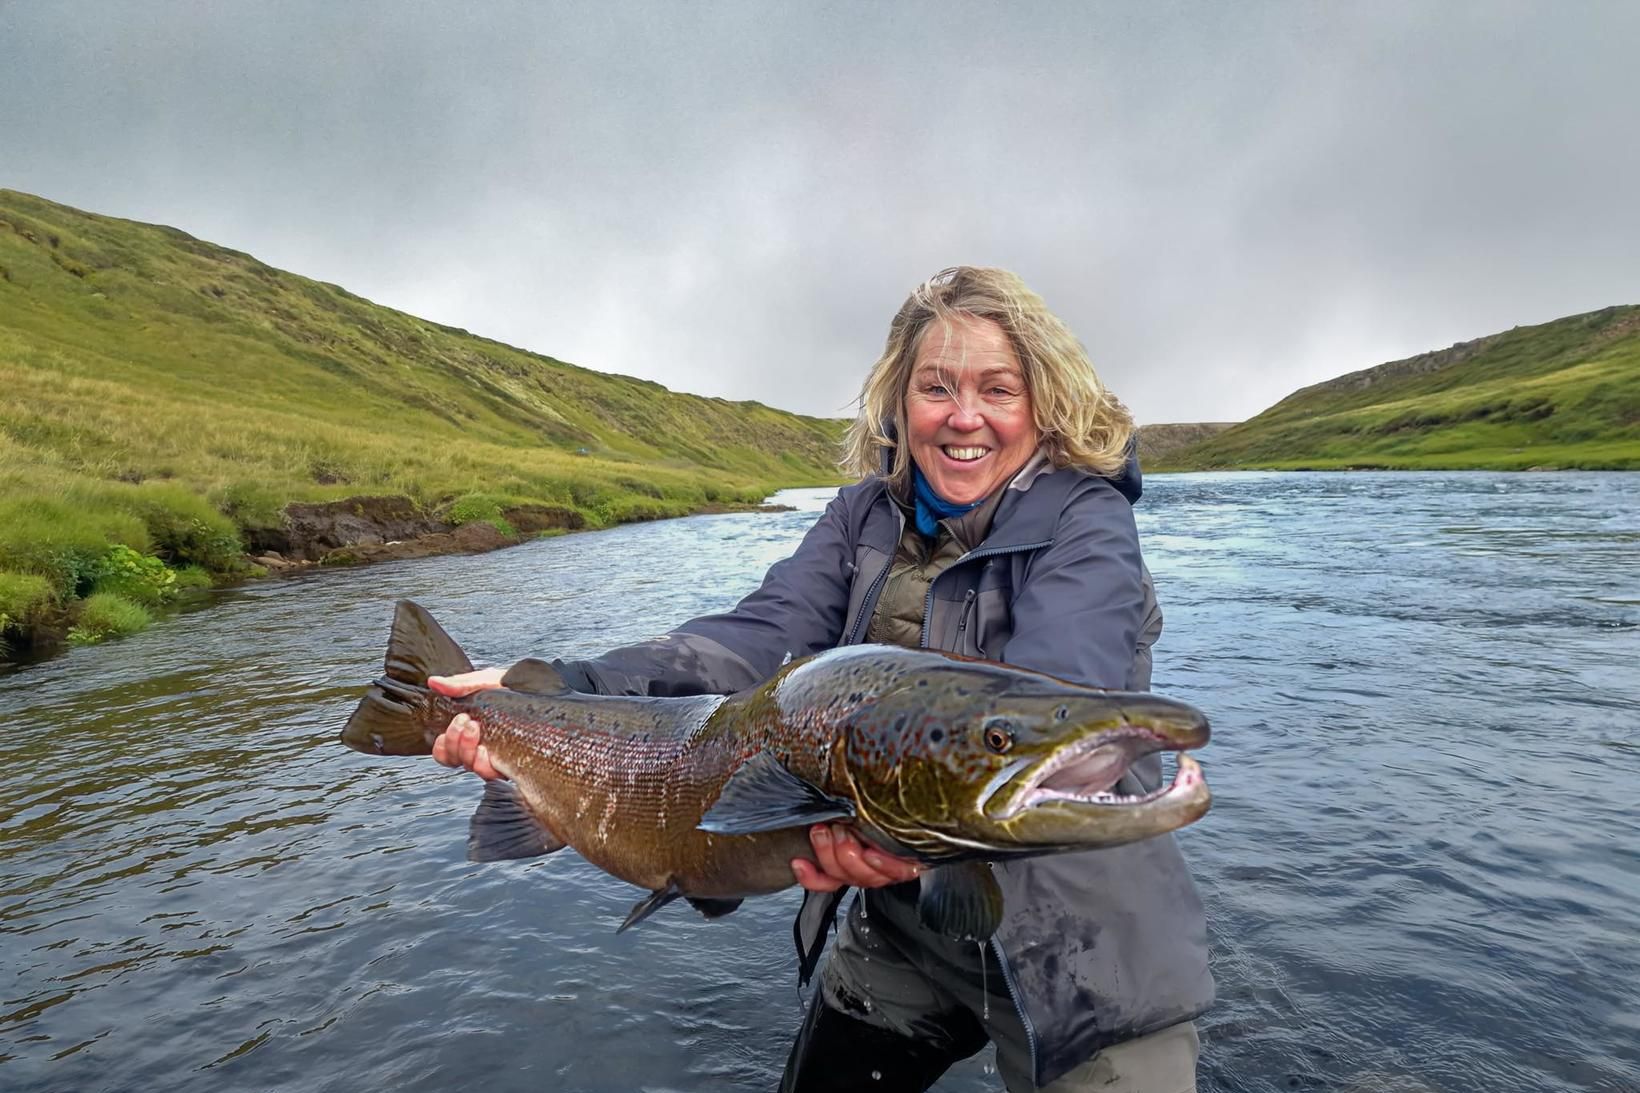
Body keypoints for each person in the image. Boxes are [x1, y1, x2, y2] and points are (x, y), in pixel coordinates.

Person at [429, 266, 1212, 1092]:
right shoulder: (862, 516)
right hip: (908, 934)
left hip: (1085, 946)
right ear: (899, 401)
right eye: (936, 387)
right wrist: (555, 684)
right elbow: (754, 640)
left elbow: (1058, 685)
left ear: (1041, 402)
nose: (964, 416)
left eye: (998, 389)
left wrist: (910, 824)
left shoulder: (1088, 519)